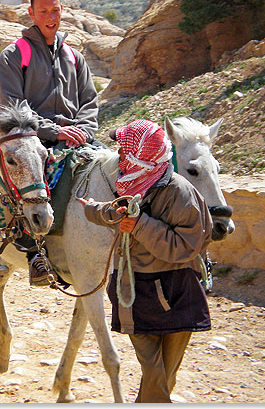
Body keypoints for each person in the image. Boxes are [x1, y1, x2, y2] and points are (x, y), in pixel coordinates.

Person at [77, 119, 213, 403]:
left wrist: (139, 224)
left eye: (126, 151)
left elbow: (186, 247)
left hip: (175, 293)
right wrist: (93, 211)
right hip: (135, 294)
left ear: (143, 155)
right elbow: (120, 213)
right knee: (155, 374)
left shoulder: (180, 192)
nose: (121, 157)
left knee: (163, 377)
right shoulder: (135, 183)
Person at [0, 0, 100, 285]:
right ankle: (33, 253)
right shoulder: (13, 55)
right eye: (43, 11)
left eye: (55, 10)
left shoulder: (74, 57)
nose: (50, 16)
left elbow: (90, 102)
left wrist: (81, 131)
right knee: (27, 184)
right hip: (31, 139)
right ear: (31, 13)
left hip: (76, 137)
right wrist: (57, 132)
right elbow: (13, 108)